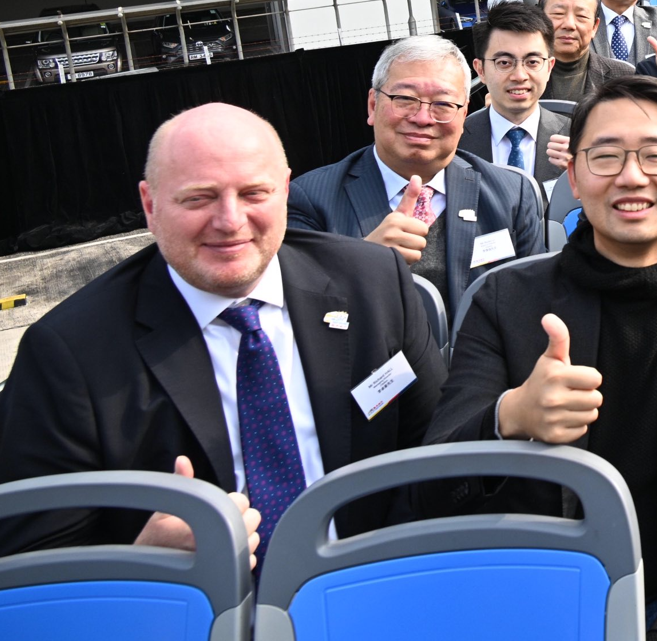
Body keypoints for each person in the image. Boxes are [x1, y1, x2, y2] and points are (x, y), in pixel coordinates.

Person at [423, 77, 657, 641]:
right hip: (533, 605)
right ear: (572, 175)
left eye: (655, 155)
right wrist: (508, 419)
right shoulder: (507, 300)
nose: (631, 176)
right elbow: (432, 483)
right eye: (606, 156)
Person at [0, 104, 446, 559]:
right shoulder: (69, 352)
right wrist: (141, 566)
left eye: (254, 193)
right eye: (198, 198)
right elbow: (30, 562)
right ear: (150, 206)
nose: (230, 221)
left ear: (285, 190)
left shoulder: (372, 283)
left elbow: (438, 449)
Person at [288, 36, 544, 304]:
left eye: (443, 104)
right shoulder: (310, 201)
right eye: (405, 99)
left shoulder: (512, 194)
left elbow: (533, 304)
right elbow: (298, 313)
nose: (422, 118)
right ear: (373, 105)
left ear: (464, 113)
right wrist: (362, 263)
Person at [459, 0, 571, 185]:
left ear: (549, 67)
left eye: (532, 62)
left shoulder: (578, 138)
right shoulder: (455, 141)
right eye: (504, 62)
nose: (519, 76)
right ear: (480, 70)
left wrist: (583, 174)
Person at [539, 0, 634, 105]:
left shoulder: (624, 78)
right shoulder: (521, 75)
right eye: (558, 14)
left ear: (595, 27)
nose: (569, 24)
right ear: (539, 19)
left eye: (581, 16)